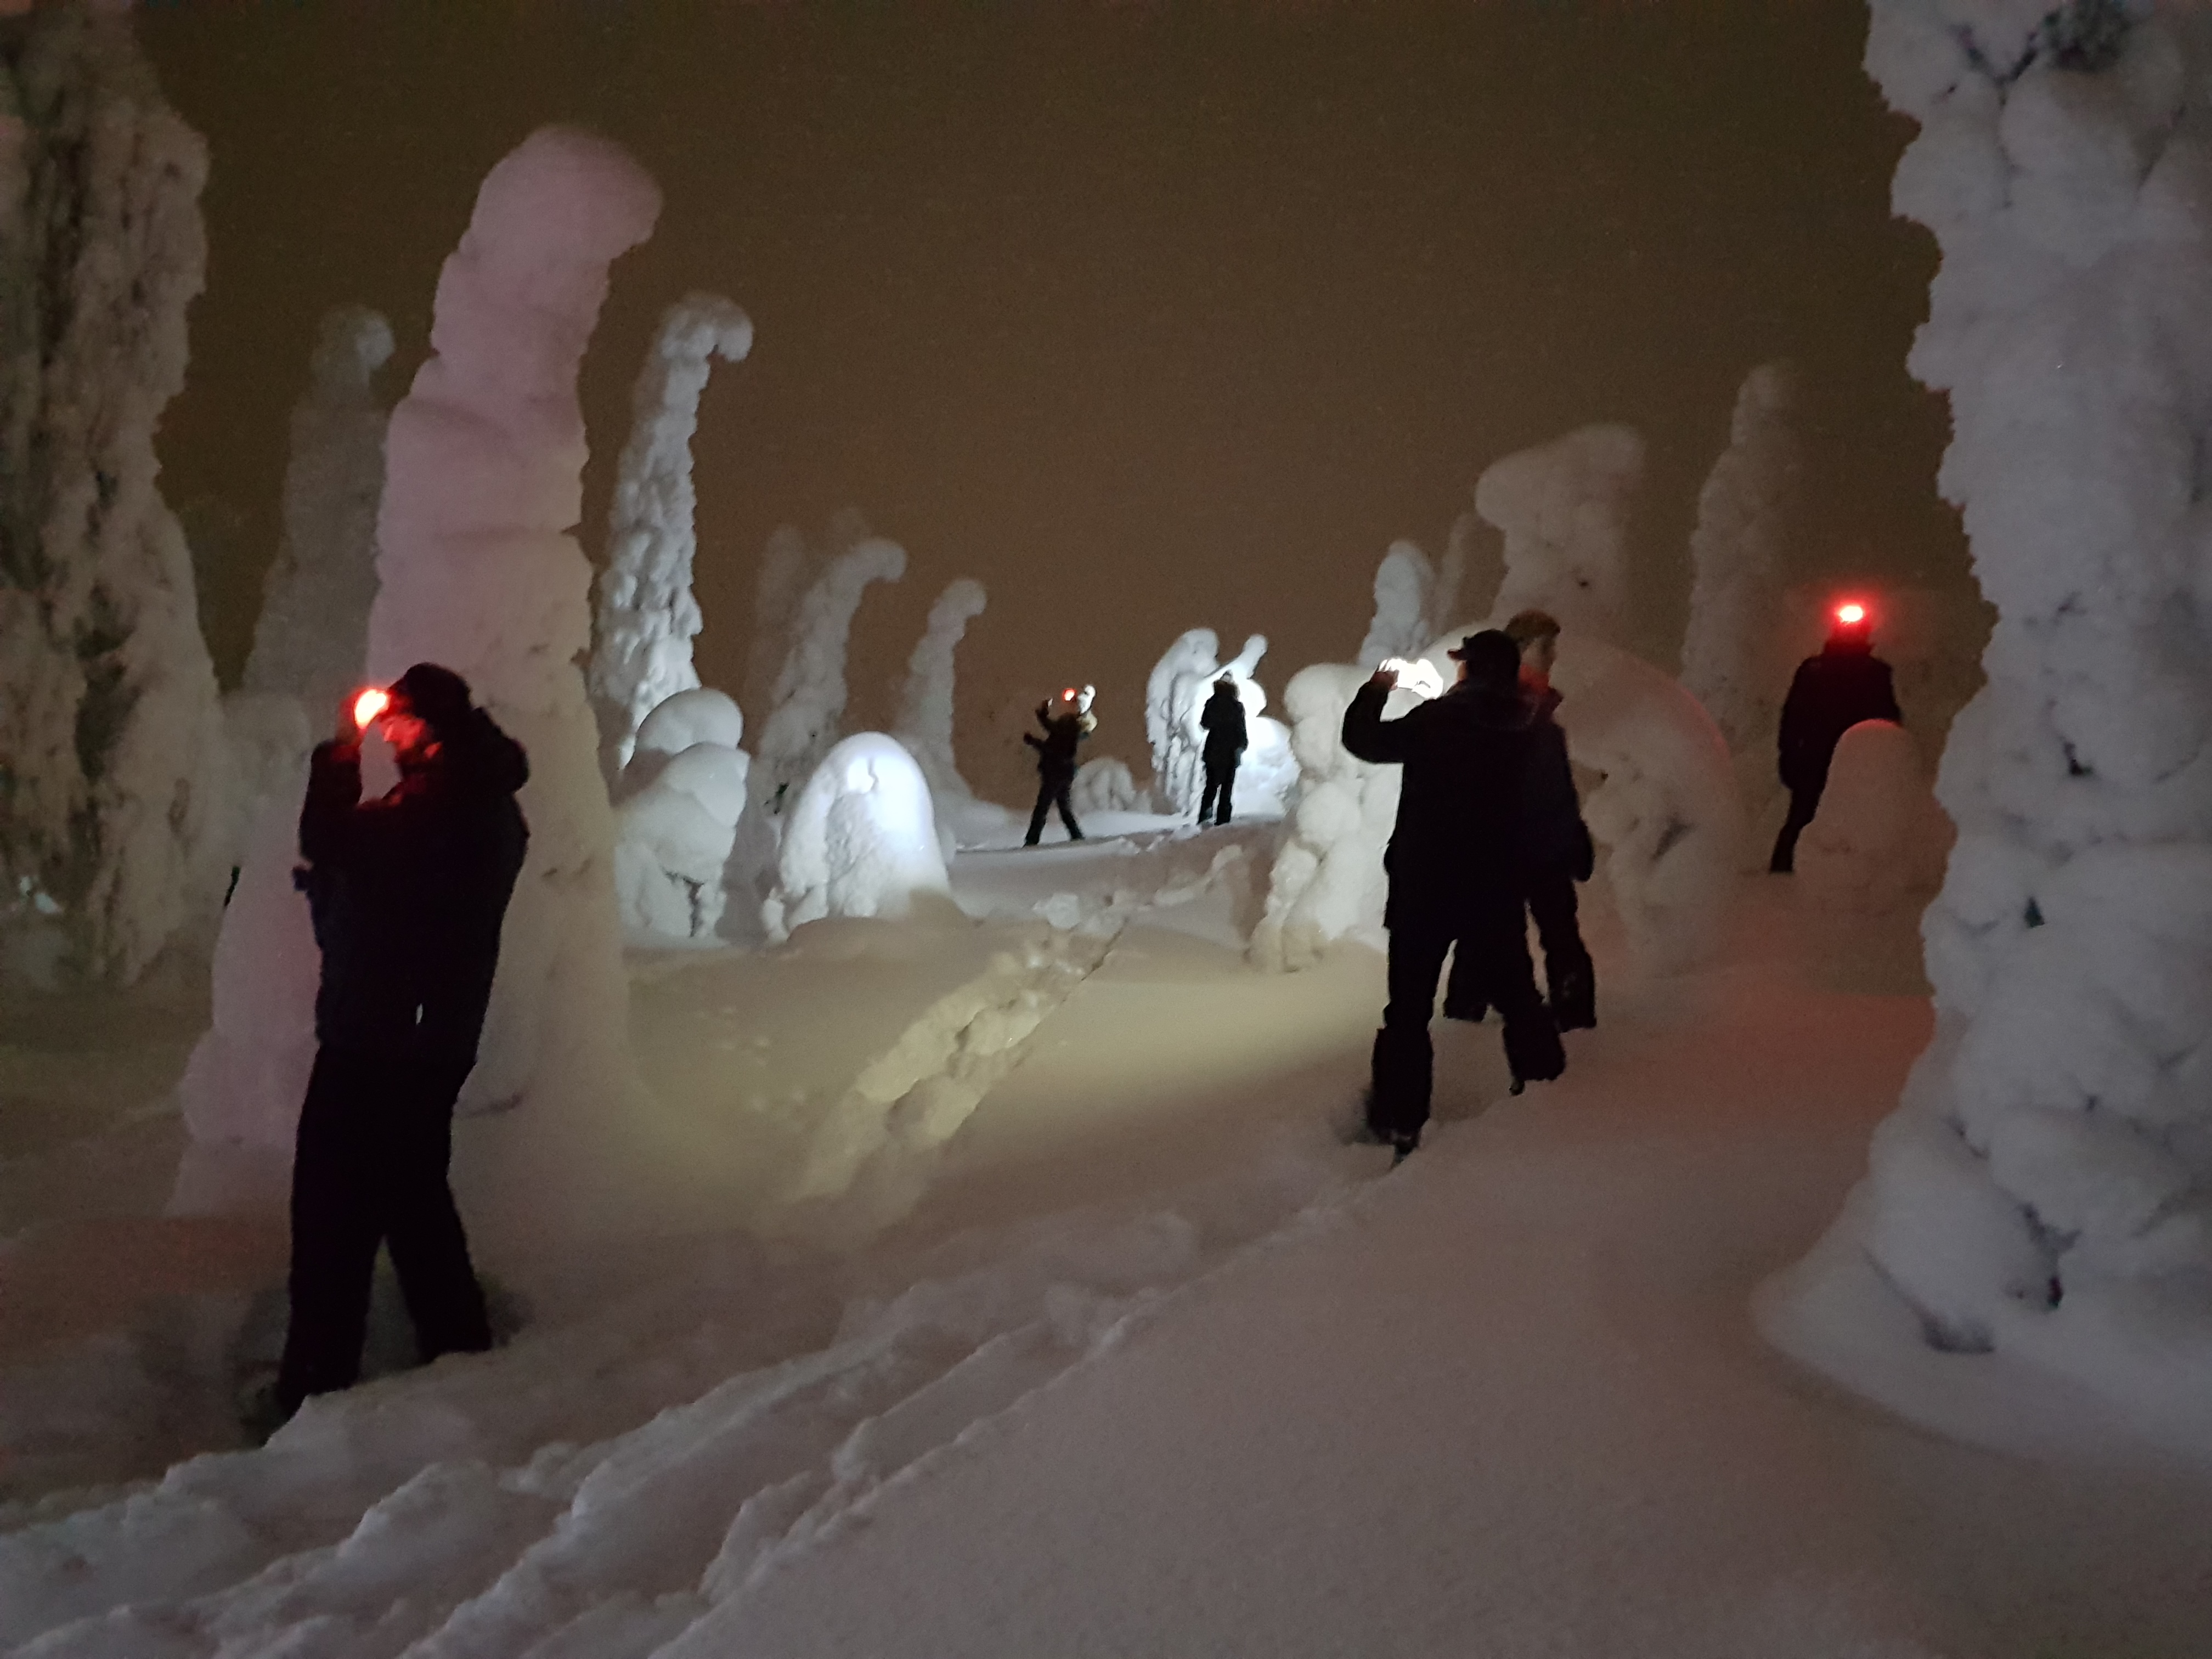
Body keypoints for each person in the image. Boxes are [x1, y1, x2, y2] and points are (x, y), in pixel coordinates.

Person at [274, 663, 529, 1421]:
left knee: (333, 1212)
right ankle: (458, 1355)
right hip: (420, 1038)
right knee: (412, 1199)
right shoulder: (471, 805)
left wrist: (340, 752)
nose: (392, 733)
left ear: (437, 726)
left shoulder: (445, 810)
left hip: (381, 1042)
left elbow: (331, 837)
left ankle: (315, 1389)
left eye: (403, 722)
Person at [1343, 630, 1567, 1159]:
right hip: (1493, 885)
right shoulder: (1527, 725)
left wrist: (1377, 689)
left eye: (1464, 665)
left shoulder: (1439, 721)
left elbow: (1364, 742)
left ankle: (1400, 1119)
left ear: (1474, 669)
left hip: (1427, 884)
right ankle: (1548, 1091)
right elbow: (1546, 800)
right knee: (1518, 995)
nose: (1458, 673)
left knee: (1408, 1009)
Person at [1446, 609, 1598, 1030]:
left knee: (1491, 933)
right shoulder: (1516, 707)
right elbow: (1545, 785)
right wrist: (1568, 836)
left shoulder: (1519, 702)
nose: (1553, 655)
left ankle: (1469, 1009)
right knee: (1545, 932)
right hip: (1529, 843)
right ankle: (1563, 1016)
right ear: (1520, 650)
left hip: (1517, 842)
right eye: (1544, 646)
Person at [1770, 606, 1901, 873]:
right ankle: (1784, 881)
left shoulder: (1873, 673)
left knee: (1842, 824)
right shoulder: (1815, 671)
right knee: (1804, 819)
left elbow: (1887, 721)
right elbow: (1793, 717)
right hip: (1821, 763)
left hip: (1852, 764)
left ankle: (1835, 877)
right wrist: (1789, 757)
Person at [1023, 686, 1095, 847]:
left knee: (1043, 807)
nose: (1067, 705)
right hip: (1063, 773)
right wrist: (1043, 714)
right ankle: (1077, 837)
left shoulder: (1070, 726)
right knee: (1063, 808)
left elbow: (1052, 748)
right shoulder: (1070, 725)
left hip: (1056, 773)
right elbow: (1052, 728)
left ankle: (1032, 840)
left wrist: (1033, 741)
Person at [1197, 675, 1247, 826]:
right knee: (1226, 789)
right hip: (1230, 752)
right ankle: (1223, 821)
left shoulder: (1212, 703)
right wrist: (1242, 745)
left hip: (1213, 752)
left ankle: (1204, 817)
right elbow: (1241, 730)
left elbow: (1205, 723)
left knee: (1211, 787)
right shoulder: (1236, 706)